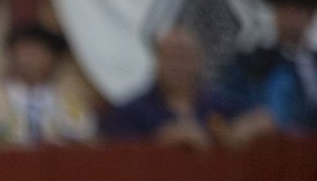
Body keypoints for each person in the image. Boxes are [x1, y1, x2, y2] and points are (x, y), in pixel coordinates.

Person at [221, 0, 317, 134]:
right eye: (284, 11)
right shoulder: (253, 63)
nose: (290, 19)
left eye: (297, 11)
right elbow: (230, 104)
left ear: (311, 18)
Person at [101, 27, 257, 146]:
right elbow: (118, 154)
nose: (177, 65)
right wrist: (162, 141)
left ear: (198, 61)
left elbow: (265, 118)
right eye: (170, 56)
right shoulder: (131, 112)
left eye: (183, 56)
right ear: (157, 62)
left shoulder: (219, 102)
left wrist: (241, 129)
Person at [0, 21, 95, 148]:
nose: (29, 60)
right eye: (24, 52)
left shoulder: (70, 105)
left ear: (52, 59)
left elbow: (86, 145)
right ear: (11, 55)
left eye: (37, 53)